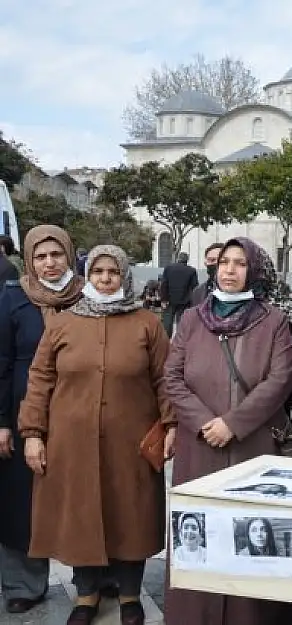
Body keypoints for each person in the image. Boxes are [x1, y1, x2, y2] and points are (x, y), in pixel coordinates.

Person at [19, 245, 175, 625]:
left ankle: (129, 595)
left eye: (113, 273)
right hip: (71, 441)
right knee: (80, 514)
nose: (105, 280)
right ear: (86, 275)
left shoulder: (146, 323)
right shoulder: (63, 323)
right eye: (97, 272)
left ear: (125, 276)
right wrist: (33, 432)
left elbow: (165, 378)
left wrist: (171, 425)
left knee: (131, 514)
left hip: (132, 440)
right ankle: (86, 595)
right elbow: (40, 379)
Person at [163, 237, 292, 625]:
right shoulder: (191, 318)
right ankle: (195, 613)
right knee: (198, 530)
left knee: (250, 528)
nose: (230, 270)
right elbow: (172, 376)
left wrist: (233, 424)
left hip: (251, 447)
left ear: (252, 270)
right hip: (199, 444)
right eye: (224, 262)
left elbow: (281, 378)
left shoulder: (272, 320)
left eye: (240, 263)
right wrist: (206, 423)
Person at [0, 226, 83, 615]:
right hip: (23, 410)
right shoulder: (13, 298)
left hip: (78, 410)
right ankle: (24, 582)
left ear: (69, 255)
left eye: (56, 255)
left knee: (81, 494)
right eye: (40, 257)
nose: (49, 263)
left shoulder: (87, 298)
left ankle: (94, 579)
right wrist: (2, 421)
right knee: (20, 499)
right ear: (29, 261)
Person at [160, 251, 199, 337]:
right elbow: (195, 287)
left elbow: (164, 284)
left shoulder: (168, 268)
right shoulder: (191, 270)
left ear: (178, 258)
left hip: (169, 300)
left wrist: (163, 299)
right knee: (181, 322)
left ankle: (166, 340)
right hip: (185, 300)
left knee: (167, 321)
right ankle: (180, 340)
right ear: (187, 260)